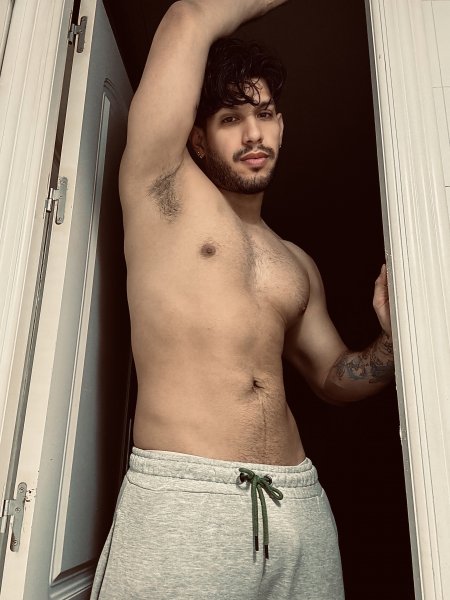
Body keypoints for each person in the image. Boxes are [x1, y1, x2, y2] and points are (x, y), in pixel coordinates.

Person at [91, 1, 394, 598]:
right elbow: (190, 16)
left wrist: (391, 342)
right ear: (198, 139)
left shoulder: (295, 263)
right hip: (190, 497)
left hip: (298, 501)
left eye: (265, 113)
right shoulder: (161, 190)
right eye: (231, 118)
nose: (254, 133)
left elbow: (333, 378)